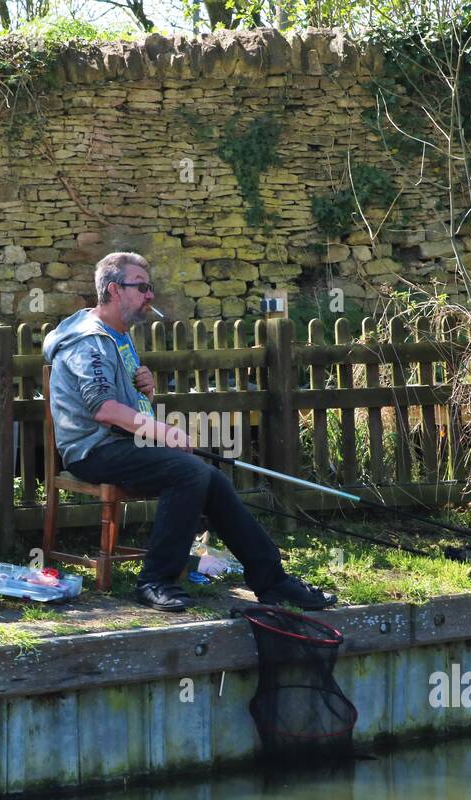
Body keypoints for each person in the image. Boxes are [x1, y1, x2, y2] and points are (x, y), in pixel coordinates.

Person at [42, 251, 337, 613]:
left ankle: (272, 580)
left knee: (208, 477)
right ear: (115, 290)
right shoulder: (89, 341)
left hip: (122, 443)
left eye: (150, 288)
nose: (150, 296)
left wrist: (142, 388)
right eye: (142, 288)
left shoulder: (118, 336)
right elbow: (103, 409)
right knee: (189, 473)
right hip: (92, 451)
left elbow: (123, 400)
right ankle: (155, 581)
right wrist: (164, 432)